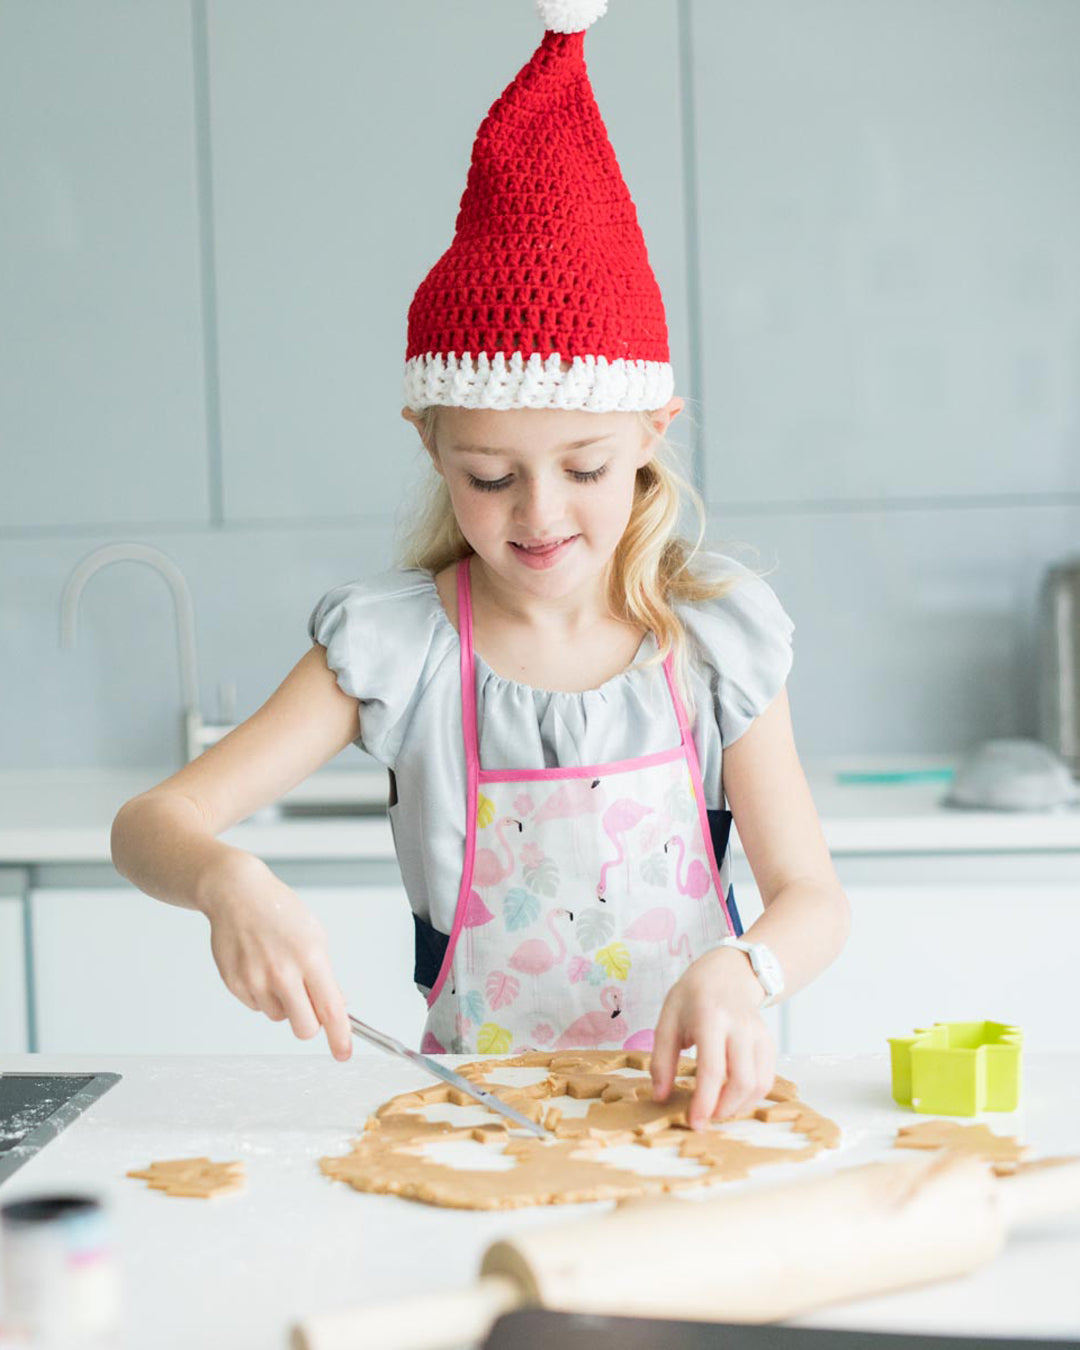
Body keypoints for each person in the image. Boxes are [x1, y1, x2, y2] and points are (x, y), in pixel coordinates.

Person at [111, 0, 849, 1131]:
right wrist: (225, 880)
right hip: (476, 1126)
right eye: (492, 476)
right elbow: (151, 823)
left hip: (692, 1119)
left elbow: (812, 899)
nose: (540, 515)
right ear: (431, 446)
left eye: (586, 468)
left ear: (654, 432)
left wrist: (749, 970)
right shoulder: (398, 648)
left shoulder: (713, 640)